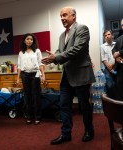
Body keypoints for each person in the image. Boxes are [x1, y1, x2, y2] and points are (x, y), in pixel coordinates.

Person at [42, 6, 95, 144]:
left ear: (73, 16)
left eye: (65, 15)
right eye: (61, 16)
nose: (62, 18)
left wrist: (56, 57)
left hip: (81, 74)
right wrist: (52, 59)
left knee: (84, 106)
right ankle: (66, 134)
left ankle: (89, 130)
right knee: (64, 105)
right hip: (66, 75)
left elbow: (77, 50)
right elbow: (60, 51)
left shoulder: (82, 29)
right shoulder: (61, 35)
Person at [16, 33, 45, 125]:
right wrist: (18, 78)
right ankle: (29, 116)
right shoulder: (21, 53)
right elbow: (19, 66)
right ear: (24, 41)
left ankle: (38, 117)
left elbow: (41, 64)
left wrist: (43, 75)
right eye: (28, 39)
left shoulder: (37, 51)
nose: (30, 41)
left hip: (35, 74)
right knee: (27, 96)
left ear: (33, 41)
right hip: (25, 75)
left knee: (36, 95)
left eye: (31, 39)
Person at [100, 30, 116, 99]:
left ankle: (118, 102)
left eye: (109, 34)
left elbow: (118, 56)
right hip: (107, 69)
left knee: (118, 85)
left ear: (112, 36)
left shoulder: (116, 44)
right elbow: (103, 59)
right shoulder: (102, 46)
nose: (107, 36)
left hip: (117, 68)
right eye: (105, 35)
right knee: (110, 86)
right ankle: (111, 103)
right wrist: (110, 69)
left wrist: (113, 67)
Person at [112, 19, 123, 100]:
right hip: (120, 69)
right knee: (120, 89)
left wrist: (119, 53)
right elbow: (114, 49)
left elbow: (118, 51)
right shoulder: (119, 38)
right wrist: (116, 56)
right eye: (122, 25)